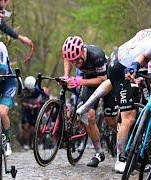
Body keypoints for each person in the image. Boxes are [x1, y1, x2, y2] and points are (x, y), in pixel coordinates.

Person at [76, 29, 151, 173]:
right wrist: (135, 67)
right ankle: (120, 160)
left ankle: (87, 104)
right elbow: (143, 57)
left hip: (115, 58)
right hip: (123, 67)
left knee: (113, 81)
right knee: (128, 118)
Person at [61, 36, 119, 167]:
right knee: (88, 117)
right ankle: (99, 153)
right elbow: (66, 59)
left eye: (77, 60)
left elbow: (102, 79)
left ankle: (127, 141)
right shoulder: (71, 54)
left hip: (107, 80)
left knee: (111, 121)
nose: (75, 63)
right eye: (72, 61)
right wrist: (66, 76)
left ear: (82, 52)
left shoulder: (96, 55)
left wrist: (80, 81)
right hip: (90, 81)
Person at [20, 76, 50, 150]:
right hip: (26, 109)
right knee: (26, 126)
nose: (30, 90)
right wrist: (28, 105)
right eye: (28, 89)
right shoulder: (23, 91)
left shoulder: (38, 90)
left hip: (37, 108)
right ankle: (25, 143)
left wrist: (40, 103)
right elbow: (21, 101)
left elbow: (46, 97)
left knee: (37, 126)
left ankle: (38, 142)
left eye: (32, 89)